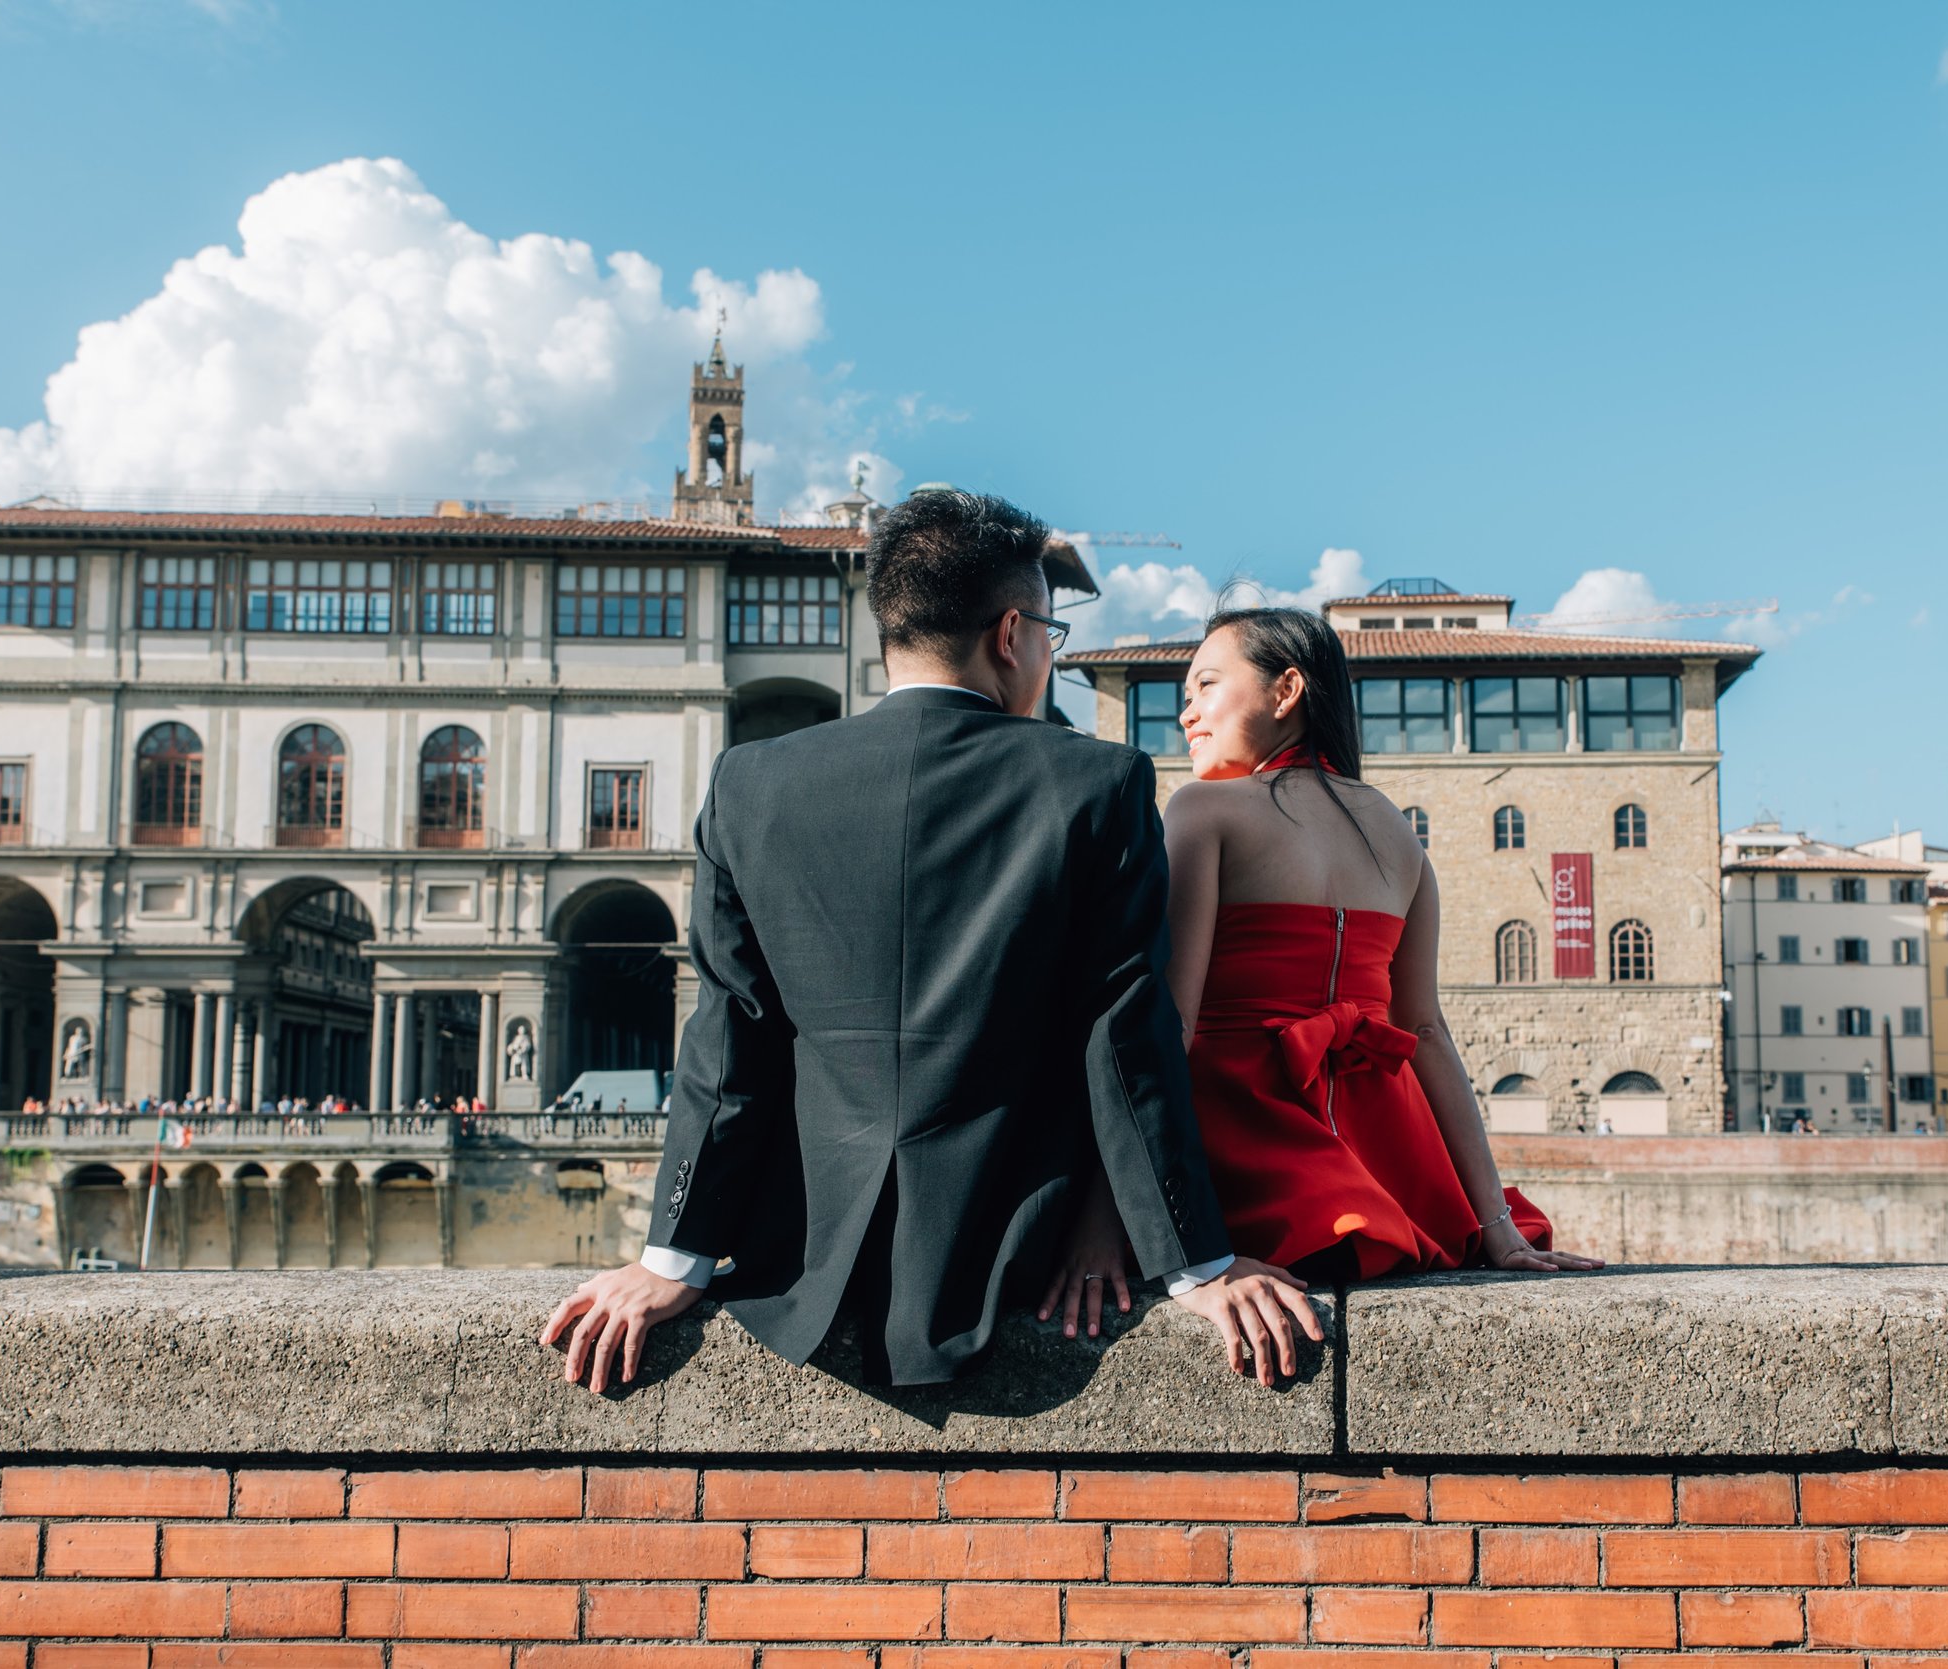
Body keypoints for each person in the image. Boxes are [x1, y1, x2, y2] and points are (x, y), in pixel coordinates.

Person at [542, 490, 1320, 1392]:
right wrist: (1197, 1265)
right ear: (1011, 634)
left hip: (800, 1259)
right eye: (1050, 639)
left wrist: (670, 1258)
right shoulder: (1099, 785)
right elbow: (1124, 1038)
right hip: (1019, 1250)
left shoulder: (749, 784)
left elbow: (730, 1038)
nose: (1045, 658)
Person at [1044, 607, 1600, 1322]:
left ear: (1286, 692)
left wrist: (1105, 1217)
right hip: (1389, 1165)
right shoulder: (1400, 834)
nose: (1187, 713)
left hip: (1249, 1142)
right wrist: (1493, 1223)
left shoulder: (1202, 810)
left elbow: (1169, 1026)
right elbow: (1426, 1033)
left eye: (1207, 685)